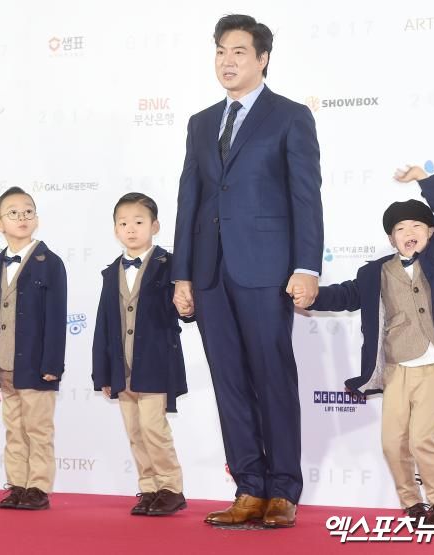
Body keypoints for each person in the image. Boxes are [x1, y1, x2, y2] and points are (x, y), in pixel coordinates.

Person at [172, 14, 323, 528]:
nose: (227, 61)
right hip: (210, 273)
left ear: (262, 59)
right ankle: (249, 488)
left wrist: (306, 266)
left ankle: (283, 490)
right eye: (220, 51)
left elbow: (306, 198)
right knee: (229, 383)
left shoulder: (290, 117)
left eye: (238, 51)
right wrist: (182, 274)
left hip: (266, 271)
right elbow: (189, 201)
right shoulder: (200, 122)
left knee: (272, 378)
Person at [309, 166, 434, 526]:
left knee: (422, 439)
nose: (409, 232)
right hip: (395, 367)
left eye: (418, 226)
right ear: (391, 238)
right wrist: (308, 296)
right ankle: (412, 503)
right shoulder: (375, 273)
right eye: (401, 228)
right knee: (392, 442)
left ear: (431, 233)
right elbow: (344, 296)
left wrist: (427, 181)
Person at [92, 193, 190, 516]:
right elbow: (103, 325)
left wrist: (187, 306)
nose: (131, 229)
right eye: (123, 223)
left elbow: (185, 309)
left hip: (155, 363)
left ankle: (170, 488)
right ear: (115, 230)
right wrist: (102, 373)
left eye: (138, 222)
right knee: (134, 431)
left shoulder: (170, 266)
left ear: (154, 226)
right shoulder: (111, 273)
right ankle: (149, 488)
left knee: (153, 428)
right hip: (122, 368)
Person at [0, 187, 67, 510]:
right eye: (13, 212)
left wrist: (52, 364)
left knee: (38, 428)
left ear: (37, 218)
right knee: (14, 427)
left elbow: (57, 317)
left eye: (28, 211)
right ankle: (17, 483)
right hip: (5, 361)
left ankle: (38, 486)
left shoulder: (50, 263)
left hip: (36, 362)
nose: (22, 217)